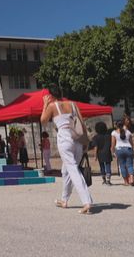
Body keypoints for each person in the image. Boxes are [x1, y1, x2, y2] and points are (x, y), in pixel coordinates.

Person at [40, 85, 92, 214]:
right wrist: (86, 142)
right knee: (66, 171)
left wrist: (45, 104)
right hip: (78, 140)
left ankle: (87, 201)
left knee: (73, 170)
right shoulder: (73, 104)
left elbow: (43, 121)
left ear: (50, 96)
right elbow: (82, 124)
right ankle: (64, 200)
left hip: (65, 140)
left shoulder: (52, 106)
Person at [111, 120, 134, 186]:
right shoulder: (128, 132)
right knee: (130, 165)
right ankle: (132, 179)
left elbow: (113, 144)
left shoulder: (114, 133)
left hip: (119, 150)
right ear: (123, 124)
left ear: (116, 125)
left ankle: (126, 182)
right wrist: (132, 150)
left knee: (122, 166)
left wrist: (113, 152)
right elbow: (131, 143)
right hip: (128, 149)